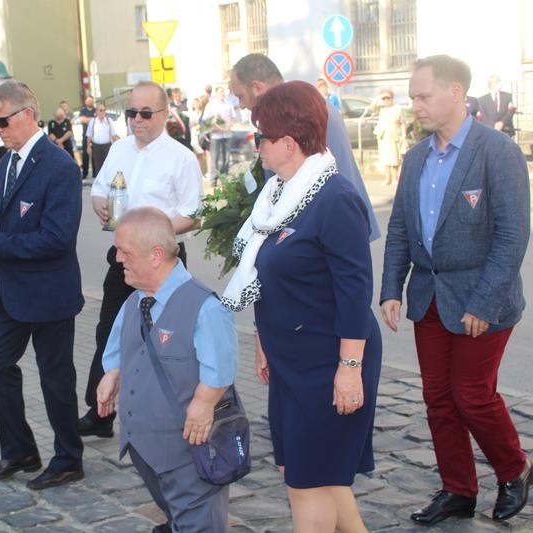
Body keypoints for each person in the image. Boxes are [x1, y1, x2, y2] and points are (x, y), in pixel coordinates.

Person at [221, 80, 380, 533]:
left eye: (261, 136)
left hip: (328, 360)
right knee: (306, 471)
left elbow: (354, 292)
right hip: (291, 359)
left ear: (288, 143)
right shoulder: (277, 196)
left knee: (310, 482)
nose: (256, 146)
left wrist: (349, 368)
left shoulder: (334, 199)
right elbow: (269, 278)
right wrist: (264, 339)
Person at [380, 55, 532, 526]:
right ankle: (458, 489)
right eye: (413, 98)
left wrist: (484, 302)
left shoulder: (496, 151)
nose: (416, 106)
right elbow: (400, 228)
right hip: (429, 297)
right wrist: (391, 289)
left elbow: (512, 235)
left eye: (423, 96)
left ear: (456, 93)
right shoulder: (416, 158)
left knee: (472, 395)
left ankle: (514, 469)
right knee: (438, 399)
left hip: (483, 299)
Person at [0, 79, 85, 491]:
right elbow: (15, 220)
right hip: (12, 289)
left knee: (55, 379)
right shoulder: (8, 160)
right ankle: (19, 451)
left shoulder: (60, 166)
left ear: (28, 114)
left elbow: (56, 238)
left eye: (2, 121)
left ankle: (68, 458)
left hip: (49, 292)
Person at [97, 207, 237, 533]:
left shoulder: (205, 307)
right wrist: (112, 374)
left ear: (156, 255)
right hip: (145, 449)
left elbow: (221, 369)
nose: (117, 258)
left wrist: (204, 402)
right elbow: (120, 345)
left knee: (200, 526)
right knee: (177, 518)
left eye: (125, 251)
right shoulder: (134, 301)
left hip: (188, 453)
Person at [79, 80, 203, 439]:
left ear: (165, 114)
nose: (137, 120)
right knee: (109, 331)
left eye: (145, 113)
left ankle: (172, 413)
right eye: (131, 112)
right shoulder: (119, 150)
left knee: (166, 339)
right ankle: (100, 412)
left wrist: (152, 232)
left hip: (163, 263)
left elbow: (194, 214)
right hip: (122, 259)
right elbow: (99, 189)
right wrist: (99, 204)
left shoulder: (181, 157)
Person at [228, 53, 379, 242]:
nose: (241, 105)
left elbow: (316, 184)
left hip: (328, 234)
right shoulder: (304, 106)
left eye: (240, 96)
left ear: (257, 87)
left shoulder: (301, 112)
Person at [373, 88, 406, 186]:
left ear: (392, 98)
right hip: (383, 136)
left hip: (395, 135)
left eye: (388, 98)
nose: (386, 100)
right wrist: (378, 98)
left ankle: (395, 179)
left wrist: (404, 134)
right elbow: (372, 107)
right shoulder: (382, 109)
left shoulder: (398, 108)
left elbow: (403, 122)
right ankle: (387, 179)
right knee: (385, 158)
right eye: (384, 98)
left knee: (395, 158)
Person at [202, 86, 234, 180]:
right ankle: (214, 179)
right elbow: (205, 119)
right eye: (220, 92)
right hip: (215, 135)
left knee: (226, 157)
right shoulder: (210, 105)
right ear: (216, 94)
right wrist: (214, 126)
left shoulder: (229, 104)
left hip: (227, 134)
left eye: (223, 92)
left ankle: (224, 177)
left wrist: (229, 126)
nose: (222, 94)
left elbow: (233, 117)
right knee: (215, 157)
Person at [85, 103, 118, 177]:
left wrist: (116, 147)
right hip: (96, 147)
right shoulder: (93, 121)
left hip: (107, 146)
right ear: (96, 111)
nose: (103, 112)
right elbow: (89, 135)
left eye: (104, 110)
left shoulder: (109, 121)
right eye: (100, 110)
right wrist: (88, 147)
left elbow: (114, 135)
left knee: (108, 165)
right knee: (98, 166)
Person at [78, 95, 96, 179]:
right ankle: (85, 173)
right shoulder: (83, 110)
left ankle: (95, 173)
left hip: (95, 135)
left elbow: (97, 120)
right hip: (85, 135)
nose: (90, 102)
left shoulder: (96, 110)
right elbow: (82, 119)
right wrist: (93, 119)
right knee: (85, 154)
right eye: (88, 101)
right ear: (85, 102)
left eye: (91, 101)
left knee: (94, 155)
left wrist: (88, 119)